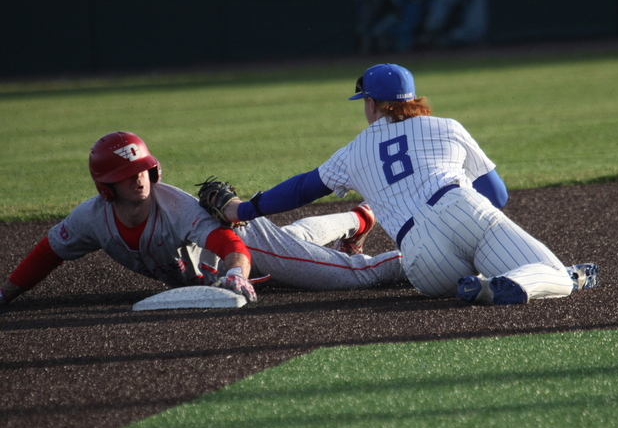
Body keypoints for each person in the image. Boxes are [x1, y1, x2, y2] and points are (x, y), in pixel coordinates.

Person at [213, 64, 598, 306]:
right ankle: (509, 282)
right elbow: (497, 196)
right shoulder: (446, 126)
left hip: (420, 256)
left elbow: (300, 190)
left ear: (373, 103)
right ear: (411, 99)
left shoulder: (353, 152)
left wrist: (241, 210)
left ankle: (480, 287)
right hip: (460, 207)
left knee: (460, 275)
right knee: (555, 273)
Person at [0, 132, 405, 307]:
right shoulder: (92, 219)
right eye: (126, 176)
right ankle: (356, 218)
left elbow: (230, 246)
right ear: (107, 186)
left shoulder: (174, 206)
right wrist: (6, 294)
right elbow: (48, 251)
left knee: (347, 275)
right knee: (296, 243)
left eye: (142, 169)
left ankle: (417, 261)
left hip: (245, 243)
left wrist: (237, 274)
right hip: (235, 256)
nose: (138, 179)